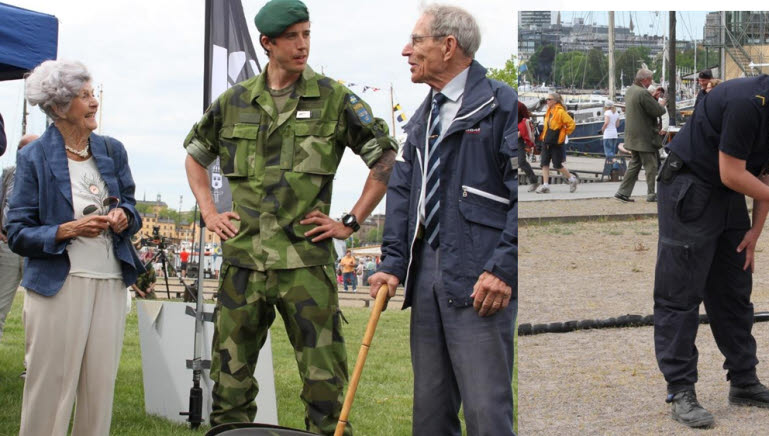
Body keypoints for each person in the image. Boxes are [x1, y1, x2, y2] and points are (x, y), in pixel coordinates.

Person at [181, 1, 399, 433]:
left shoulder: (334, 99)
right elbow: (195, 155)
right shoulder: (234, 101)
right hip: (242, 266)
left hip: (306, 266)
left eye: (307, 34)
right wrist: (209, 210)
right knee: (229, 390)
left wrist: (350, 222)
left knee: (325, 389)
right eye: (292, 37)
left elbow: (386, 159)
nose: (303, 46)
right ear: (268, 43)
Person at [655, 42, 769, 429]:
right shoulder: (745, 101)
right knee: (681, 294)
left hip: (726, 196)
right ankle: (681, 390)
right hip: (691, 189)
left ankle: (744, 381)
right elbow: (733, 173)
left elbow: (768, 171)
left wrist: (756, 230)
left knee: (734, 290)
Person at [369, 4, 517, 434]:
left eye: (416, 41)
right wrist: (393, 263)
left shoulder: (501, 105)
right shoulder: (423, 118)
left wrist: (502, 269)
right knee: (430, 413)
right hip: (428, 271)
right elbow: (401, 194)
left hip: (482, 275)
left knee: (486, 412)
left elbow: (522, 197)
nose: (406, 51)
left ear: (448, 46)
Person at [6, 59, 144, 436]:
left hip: (111, 282)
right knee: (50, 387)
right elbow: (16, 231)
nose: (94, 102)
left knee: (100, 388)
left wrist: (123, 216)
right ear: (59, 107)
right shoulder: (32, 157)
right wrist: (67, 229)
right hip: (59, 286)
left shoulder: (112, 150)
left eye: (92, 93)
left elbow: (131, 207)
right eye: (84, 96)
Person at [0, 134, 38, 341]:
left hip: (33, 246)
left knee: (36, 310)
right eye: (21, 149)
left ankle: (31, 365)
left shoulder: (49, 177)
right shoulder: (9, 174)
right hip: (7, 245)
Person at [615, 68, 666, 203]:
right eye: (649, 79)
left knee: (635, 163)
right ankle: (651, 194)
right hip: (644, 136)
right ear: (644, 80)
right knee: (651, 165)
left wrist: (652, 97)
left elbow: (641, 108)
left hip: (632, 135)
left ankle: (623, 192)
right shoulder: (643, 93)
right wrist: (661, 103)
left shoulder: (631, 90)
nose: (651, 82)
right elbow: (657, 111)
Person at [538, 92, 578, 193]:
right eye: (547, 99)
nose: (547, 101)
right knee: (544, 163)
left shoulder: (560, 112)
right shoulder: (548, 111)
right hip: (546, 141)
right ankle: (545, 185)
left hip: (556, 142)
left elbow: (571, 124)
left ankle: (572, 179)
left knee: (557, 165)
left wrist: (563, 133)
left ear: (555, 101)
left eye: (549, 99)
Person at [517, 100, 540, 191]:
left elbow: (527, 122)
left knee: (521, 161)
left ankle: (534, 181)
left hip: (518, 136)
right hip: (505, 136)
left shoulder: (521, 106)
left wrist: (520, 133)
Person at [600, 101, 621, 176]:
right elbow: (617, 124)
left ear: (606, 106)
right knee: (612, 151)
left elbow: (606, 122)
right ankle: (611, 170)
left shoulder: (607, 113)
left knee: (608, 153)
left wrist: (602, 129)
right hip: (614, 134)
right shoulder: (616, 113)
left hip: (608, 134)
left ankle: (615, 165)